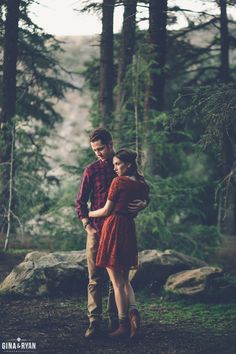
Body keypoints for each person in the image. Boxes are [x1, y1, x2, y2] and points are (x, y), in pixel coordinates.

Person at [76, 128, 147, 339]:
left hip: (116, 229)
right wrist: (87, 225)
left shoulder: (122, 169)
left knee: (115, 279)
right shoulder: (91, 170)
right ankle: (94, 322)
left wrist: (143, 203)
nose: (97, 153)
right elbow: (80, 201)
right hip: (97, 230)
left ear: (110, 143)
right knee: (95, 278)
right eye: (94, 150)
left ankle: (116, 320)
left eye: (100, 148)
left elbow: (140, 192)